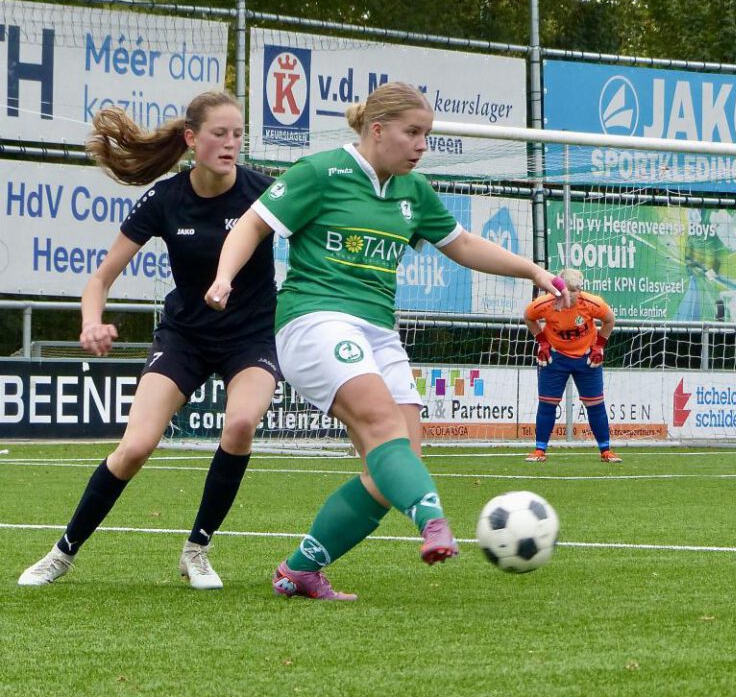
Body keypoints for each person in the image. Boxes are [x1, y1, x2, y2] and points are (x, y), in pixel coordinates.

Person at [205, 81, 565, 601]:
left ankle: (301, 569)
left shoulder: (412, 191)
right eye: (413, 133)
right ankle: (433, 522)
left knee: (397, 463)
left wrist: (534, 271)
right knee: (382, 427)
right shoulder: (321, 172)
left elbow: (463, 244)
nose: (422, 145)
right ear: (377, 130)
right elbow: (251, 225)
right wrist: (224, 277)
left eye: (427, 134)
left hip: (377, 330)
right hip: (315, 321)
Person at [18, 92, 281, 591]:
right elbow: (100, 279)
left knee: (241, 424)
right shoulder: (165, 199)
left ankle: (197, 550)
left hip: (251, 336)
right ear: (192, 139)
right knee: (135, 447)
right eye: (219, 134)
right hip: (185, 337)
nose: (231, 143)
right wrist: (91, 322)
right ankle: (61, 553)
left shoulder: (265, 192)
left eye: (238, 134)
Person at [523, 267, 621, 462]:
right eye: (565, 290)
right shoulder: (544, 303)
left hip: (586, 358)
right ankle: (540, 451)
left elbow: (610, 320)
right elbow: (528, 317)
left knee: (595, 404)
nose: (570, 294)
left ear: (580, 290)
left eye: (574, 290)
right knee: (547, 403)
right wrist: (542, 342)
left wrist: (599, 346)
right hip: (555, 357)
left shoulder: (593, 303)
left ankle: (606, 451)